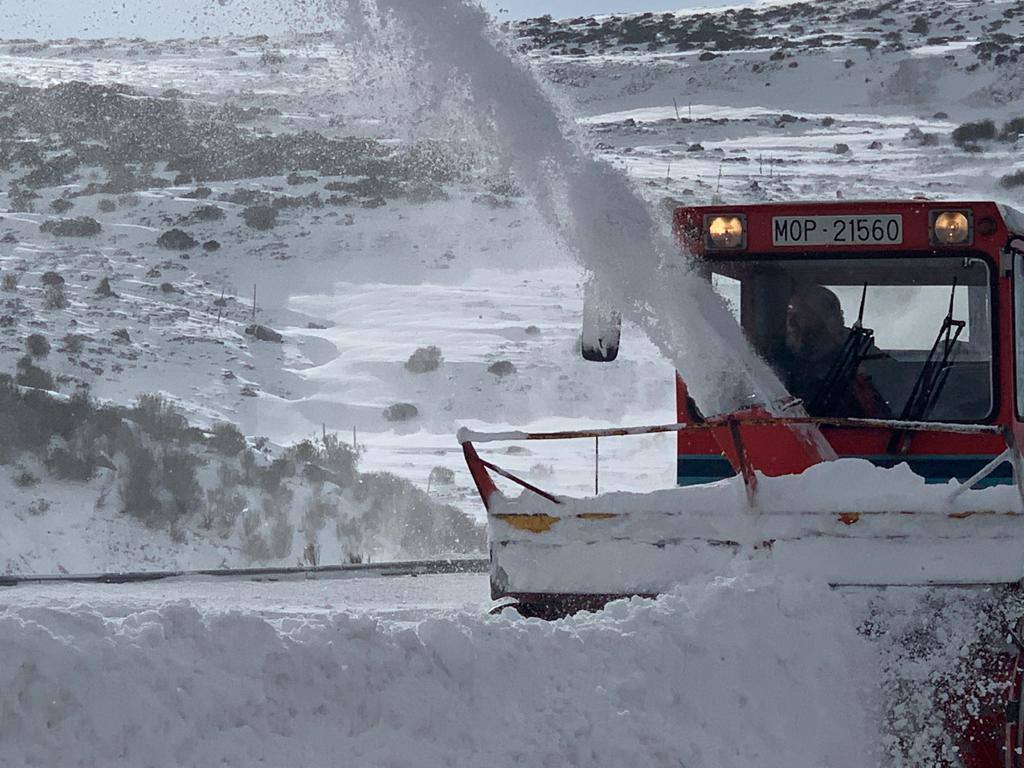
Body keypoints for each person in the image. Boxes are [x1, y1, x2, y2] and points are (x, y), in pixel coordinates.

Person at [773, 284, 891, 418]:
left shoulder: (865, 357)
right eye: (789, 317)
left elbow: (884, 412)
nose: (790, 325)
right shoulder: (774, 364)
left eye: (797, 318)